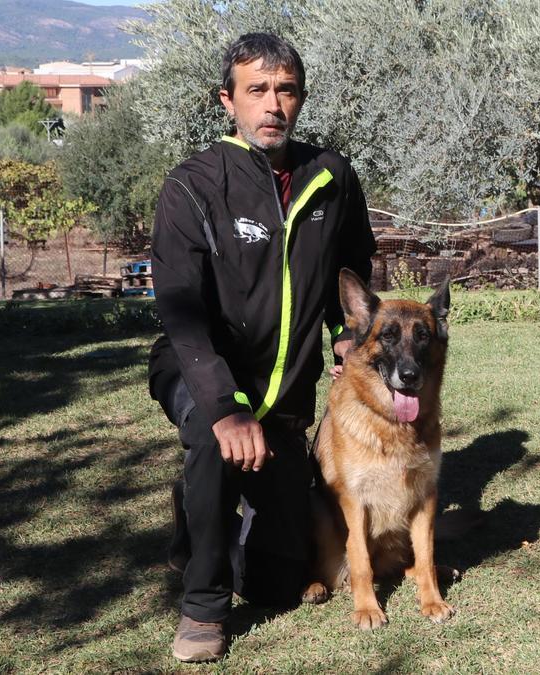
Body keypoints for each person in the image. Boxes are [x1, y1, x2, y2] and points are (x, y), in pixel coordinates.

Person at [147, 33, 376, 662]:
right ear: (228, 100)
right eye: (257, 91)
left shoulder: (331, 177)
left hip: (288, 387)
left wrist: (347, 336)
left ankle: (206, 518)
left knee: (279, 584)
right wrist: (225, 407)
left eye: (286, 90)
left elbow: (350, 272)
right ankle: (202, 607)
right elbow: (180, 313)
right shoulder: (192, 185)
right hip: (199, 372)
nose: (272, 104)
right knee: (210, 441)